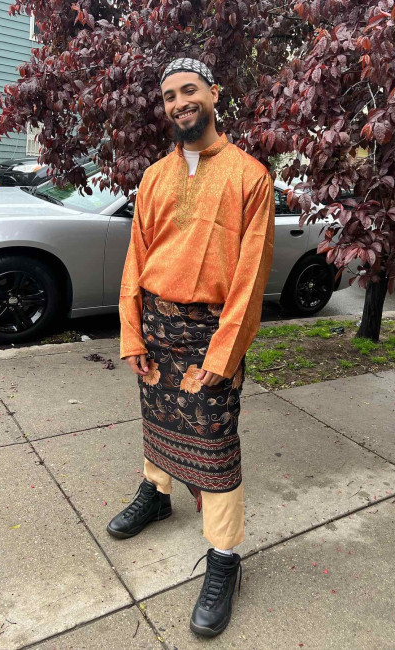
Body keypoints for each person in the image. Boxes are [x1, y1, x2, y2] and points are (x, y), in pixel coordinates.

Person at [107, 57, 275, 638]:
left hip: (211, 335)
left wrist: (224, 355)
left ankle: (225, 557)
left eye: (189, 90)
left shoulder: (251, 176)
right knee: (156, 419)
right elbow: (136, 258)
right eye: (169, 95)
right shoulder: (155, 176)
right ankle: (157, 494)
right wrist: (132, 332)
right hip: (156, 326)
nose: (179, 102)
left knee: (215, 445)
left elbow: (250, 276)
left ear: (214, 94)